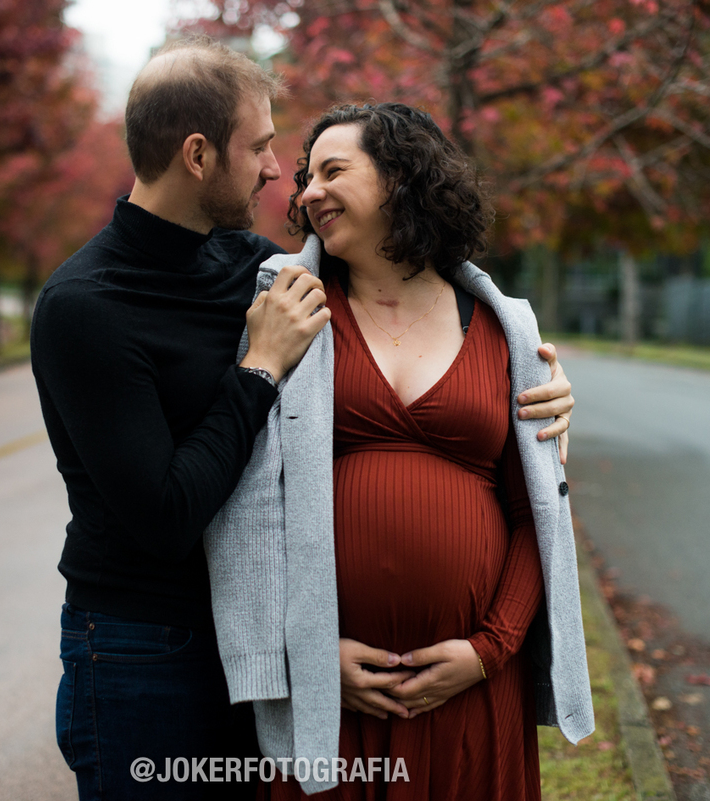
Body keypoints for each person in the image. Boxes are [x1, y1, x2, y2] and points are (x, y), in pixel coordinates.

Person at [30, 37, 575, 801]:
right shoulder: (86, 305)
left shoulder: (256, 271)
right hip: (141, 646)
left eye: (315, 164)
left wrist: (546, 382)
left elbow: (421, 306)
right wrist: (260, 366)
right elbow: (166, 514)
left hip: (253, 642)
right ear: (196, 154)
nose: (277, 173)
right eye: (260, 146)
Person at [207, 102, 593, 799]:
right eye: (305, 177)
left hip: (472, 690)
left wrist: (489, 649)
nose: (307, 192)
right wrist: (311, 659)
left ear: (402, 178)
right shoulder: (288, 311)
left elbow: (536, 508)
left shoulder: (506, 328)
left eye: (333, 171)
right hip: (335, 693)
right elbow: (251, 504)